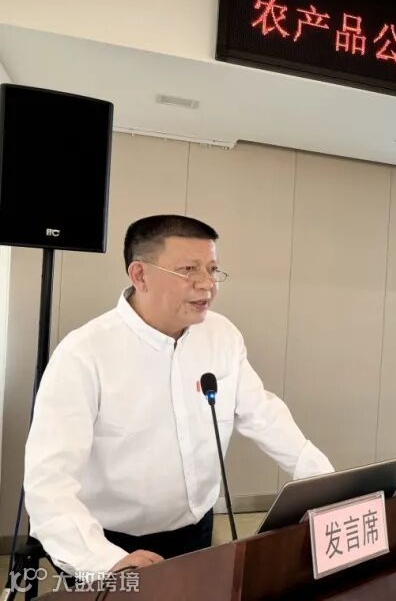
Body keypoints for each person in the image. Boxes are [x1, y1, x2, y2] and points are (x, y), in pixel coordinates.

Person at [23, 214, 334, 579]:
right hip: (108, 543)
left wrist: (324, 483)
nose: (207, 284)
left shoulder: (221, 336)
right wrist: (104, 561)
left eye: (212, 270)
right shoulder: (84, 354)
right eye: (189, 269)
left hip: (196, 530)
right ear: (140, 275)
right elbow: (49, 481)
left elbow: (263, 414)